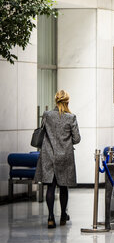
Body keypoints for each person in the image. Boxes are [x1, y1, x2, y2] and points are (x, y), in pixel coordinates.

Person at [34, 90, 81, 228]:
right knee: (63, 187)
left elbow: (43, 131)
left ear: (56, 100)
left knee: (50, 186)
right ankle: (62, 217)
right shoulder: (71, 117)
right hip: (65, 156)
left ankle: (50, 217)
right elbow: (77, 139)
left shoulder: (47, 115)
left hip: (48, 155)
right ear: (67, 101)